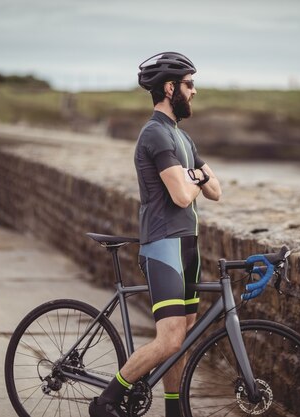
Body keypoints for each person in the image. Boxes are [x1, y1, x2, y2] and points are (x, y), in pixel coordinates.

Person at [89, 52, 222, 417]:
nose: (195, 91)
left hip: (188, 248)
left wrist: (193, 177)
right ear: (169, 88)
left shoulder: (183, 138)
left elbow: (217, 190)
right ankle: (106, 402)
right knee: (170, 339)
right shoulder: (155, 134)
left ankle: (174, 411)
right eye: (189, 84)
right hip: (163, 245)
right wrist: (196, 177)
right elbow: (181, 196)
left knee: (183, 341)